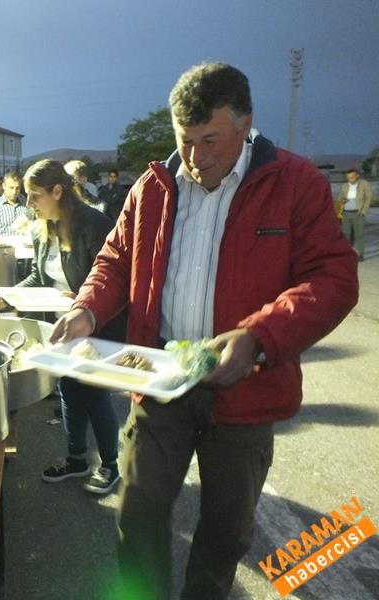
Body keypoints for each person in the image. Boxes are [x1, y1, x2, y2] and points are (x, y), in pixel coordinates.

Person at [51, 63, 359, 599]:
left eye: (210, 139)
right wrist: (87, 310)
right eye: (184, 140)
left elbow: (333, 277)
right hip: (161, 378)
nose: (196, 158)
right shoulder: (153, 186)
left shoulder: (294, 183)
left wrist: (260, 336)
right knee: (139, 511)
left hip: (246, 390)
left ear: (246, 125)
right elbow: (116, 261)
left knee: (224, 532)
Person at [0, 159, 125, 494]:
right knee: (67, 390)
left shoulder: (94, 224)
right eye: (26, 196)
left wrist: (80, 297)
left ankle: (110, 466)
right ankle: (77, 459)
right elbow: (39, 276)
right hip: (62, 325)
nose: (28, 204)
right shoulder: (41, 230)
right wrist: (8, 297)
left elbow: (112, 279)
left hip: (97, 325)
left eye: (35, 196)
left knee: (94, 394)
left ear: (58, 191)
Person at [336, 167, 373, 261]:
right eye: (348, 177)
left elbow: (368, 198)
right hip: (346, 214)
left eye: (352, 177)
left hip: (358, 213)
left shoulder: (364, 184)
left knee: (359, 235)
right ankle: (347, 253)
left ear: (357, 176)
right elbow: (340, 198)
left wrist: (364, 210)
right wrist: (342, 202)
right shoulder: (345, 185)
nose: (350, 179)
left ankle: (360, 255)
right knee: (346, 235)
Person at [0, 171, 30, 236]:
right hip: (2, 245)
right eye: (11, 188)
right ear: (4, 186)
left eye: (17, 188)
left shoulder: (26, 204)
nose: (14, 191)